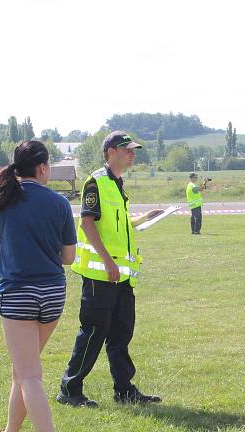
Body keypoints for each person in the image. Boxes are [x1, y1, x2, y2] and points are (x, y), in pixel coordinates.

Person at [0, 141, 76, 432]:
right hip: (52, 295)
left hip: (17, 294)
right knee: (22, 371)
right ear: (44, 167)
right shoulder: (59, 202)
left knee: (29, 375)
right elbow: (69, 257)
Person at [57, 131, 163, 408]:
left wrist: (145, 218)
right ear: (111, 151)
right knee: (93, 332)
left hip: (122, 277)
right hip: (101, 275)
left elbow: (121, 226)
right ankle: (70, 389)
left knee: (121, 334)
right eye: (128, 150)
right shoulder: (96, 183)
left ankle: (124, 390)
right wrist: (108, 262)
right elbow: (87, 224)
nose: (133, 154)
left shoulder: (117, 185)